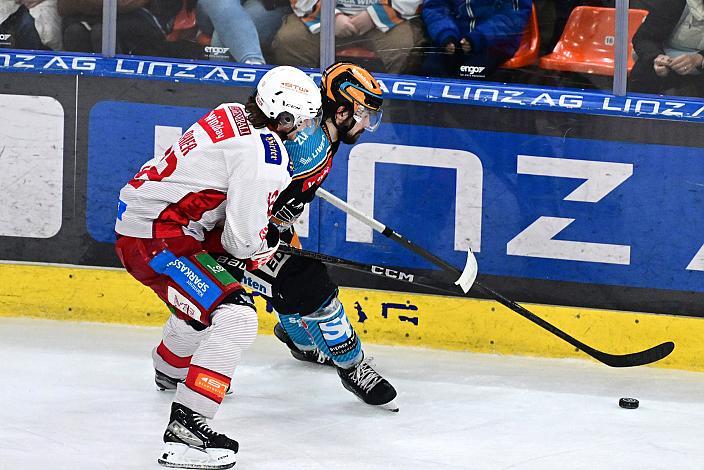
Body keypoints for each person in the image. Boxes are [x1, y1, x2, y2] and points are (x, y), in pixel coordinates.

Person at [114, 65, 322, 469]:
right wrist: (266, 243)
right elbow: (242, 242)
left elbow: (219, 207)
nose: (306, 131)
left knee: (213, 291)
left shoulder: (231, 111)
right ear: (285, 117)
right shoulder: (265, 155)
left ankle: (171, 367)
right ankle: (186, 432)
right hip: (157, 237)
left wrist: (248, 242)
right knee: (235, 318)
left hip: (159, 222)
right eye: (305, 121)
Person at [212, 61, 398, 412]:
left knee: (291, 285)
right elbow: (253, 192)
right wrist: (265, 233)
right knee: (314, 290)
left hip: (266, 225)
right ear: (342, 111)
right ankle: (353, 366)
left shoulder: (324, 133)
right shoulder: (305, 147)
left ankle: (299, 342)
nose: (366, 125)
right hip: (235, 232)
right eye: (364, 115)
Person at [271, 0, 425, 74]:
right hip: (323, 17)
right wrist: (329, 15)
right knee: (290, 41)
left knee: (405, 48)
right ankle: (298, 110)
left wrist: (374, 16)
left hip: (383, 21)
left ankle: (394, 117)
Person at [422, 0, 532, 78]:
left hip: (495, 41)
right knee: (430, 72)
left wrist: (478, 37)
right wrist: (446, 34)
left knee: (466, 76)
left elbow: (513, 18)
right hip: (453, 38)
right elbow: (435, 7)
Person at [630, 0, 704, 96]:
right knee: (646, 72)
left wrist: (698, 59)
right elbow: (643, 38)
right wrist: (657, 57)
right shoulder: (673, 3)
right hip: (665, 62)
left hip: (700, 69)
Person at [195, 0, 291, 64]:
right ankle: (253, 66)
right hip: (219, 7)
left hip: (272, 4)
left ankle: (253, 65)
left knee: (221, 41)